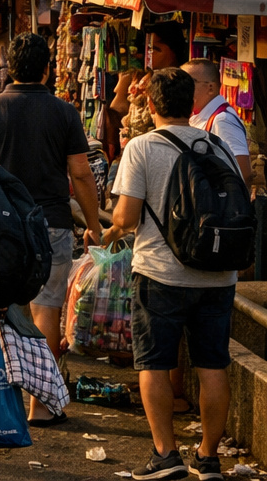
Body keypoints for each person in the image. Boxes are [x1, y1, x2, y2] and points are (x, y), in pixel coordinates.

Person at [101, 67, 239, 481]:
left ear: (154, 104)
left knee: (154, 363)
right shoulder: (217, 144)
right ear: (190, 102)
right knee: (213, 365)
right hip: (218, 275)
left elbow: (125, 218)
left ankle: (166, 454)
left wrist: (108, 232)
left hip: (160, 274)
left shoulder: (142, 147)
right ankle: (210, 457)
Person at [0, 32, 103, 425]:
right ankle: (41, 405)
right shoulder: (64, 112)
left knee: (1, 307)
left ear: (10, 67)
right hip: (53, 225)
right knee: (47, 311)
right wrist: (93, 224)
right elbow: (80, 173)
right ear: (48, 69)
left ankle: (1, 393)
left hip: (1, 226)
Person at [183, 59, 253, 185]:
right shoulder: (202, 116)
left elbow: (243, 173)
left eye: (188, 83)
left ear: (210, 88)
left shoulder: (222, 120)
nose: (182, 89)